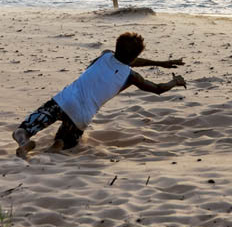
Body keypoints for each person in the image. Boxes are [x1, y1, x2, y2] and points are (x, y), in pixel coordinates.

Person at [12, 32, 186, 156]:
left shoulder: (105, 55)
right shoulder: (131, 76)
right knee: (64, 142)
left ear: (116, 46)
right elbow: (158, 89)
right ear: (136, 56)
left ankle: (24, 142)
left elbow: (126, 60)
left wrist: (161, 63)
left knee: (21, 130)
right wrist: (174, 81)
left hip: (63, 101)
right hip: (82, 117)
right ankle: (58, 145)